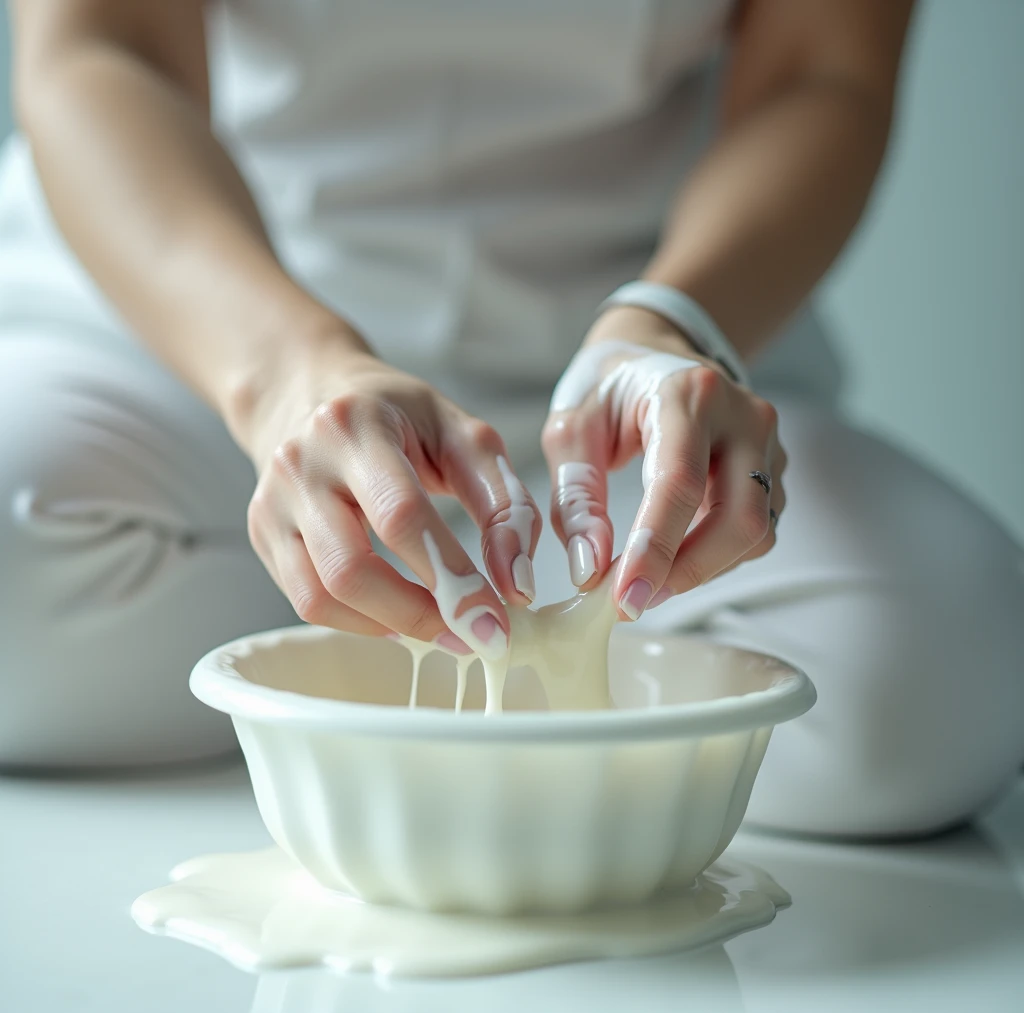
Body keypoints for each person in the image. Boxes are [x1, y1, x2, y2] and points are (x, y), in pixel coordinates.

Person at [1, 0, 1021, 837]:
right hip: (199, 337)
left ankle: (376, 642)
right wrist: (284, 376)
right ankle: (366, 614)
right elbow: (98, 49)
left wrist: (672, 323)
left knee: (951, 677)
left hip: (629, 394)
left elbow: (824, 70)